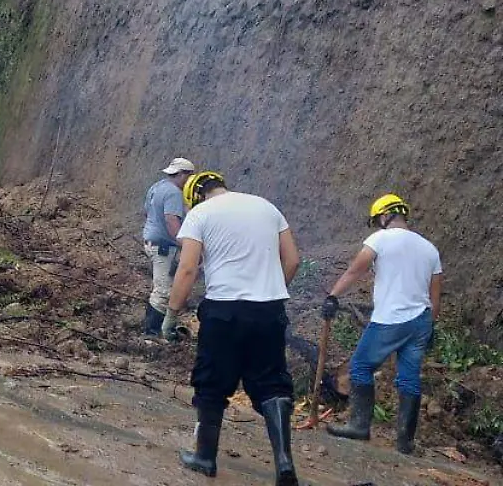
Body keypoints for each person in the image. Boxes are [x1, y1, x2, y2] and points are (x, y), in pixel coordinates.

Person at [161, 171, 301, 485]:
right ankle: (283, 464)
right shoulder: (267, 207)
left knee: (212, 382)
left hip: (224, 311)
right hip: (269, 310)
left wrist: (171, 314)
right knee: (272, 384)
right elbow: (292, 260)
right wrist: (268, 293)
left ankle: (205, 458)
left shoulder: (200, 214)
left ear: (195, 196)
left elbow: (187, 268)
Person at [322, 194, 442, 455]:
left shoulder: (380, 239)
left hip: (390, 319)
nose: (378, 224)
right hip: (421, 320)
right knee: (409, 377)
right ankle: (405, 442)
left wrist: (333, 295)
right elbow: (435, 296)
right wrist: (430, 326)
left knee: (361, 367)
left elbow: (355, 270)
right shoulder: (429, 248)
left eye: (378, 219)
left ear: (385, 215)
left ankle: (359, 425)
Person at [141, 158, 195, 335]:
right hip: (163, 247)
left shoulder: (156, 187)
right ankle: (151, 333)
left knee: (161, 287)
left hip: (152, 242)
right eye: (189, 176)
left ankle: (156, 328)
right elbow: (171, 220)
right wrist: (186, 244)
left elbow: (147, 212)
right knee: (163, 291)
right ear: (181, 174)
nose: (190, 181)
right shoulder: (173, 193)